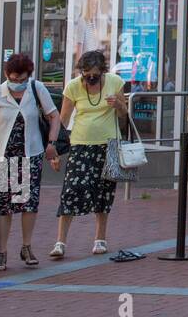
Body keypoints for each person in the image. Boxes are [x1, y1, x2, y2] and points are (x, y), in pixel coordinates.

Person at [0, 53, 60, 271]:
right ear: (6, 75)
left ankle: (26, 247)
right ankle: (2, 252)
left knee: (29, 204)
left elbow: (54, 116)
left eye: (23, 79)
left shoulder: (36, 89)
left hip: (31, 155)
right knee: (4, 206)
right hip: (3, 158)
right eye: (14, 79)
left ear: (29, 76)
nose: (18, 83)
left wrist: (52, 143)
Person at [48, 50, 129, 258]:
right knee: (71, 190)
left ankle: (100, 239)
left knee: (103, 192)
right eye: (86, 73)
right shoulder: (74, 86)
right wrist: (54, 148)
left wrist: (118, 104)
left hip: (108, 144)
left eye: (94, 73)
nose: (90, 77)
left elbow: (124, 115)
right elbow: (63, 120)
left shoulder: (115, 82)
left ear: (103, 71)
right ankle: (60, 242)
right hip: (81, 144)